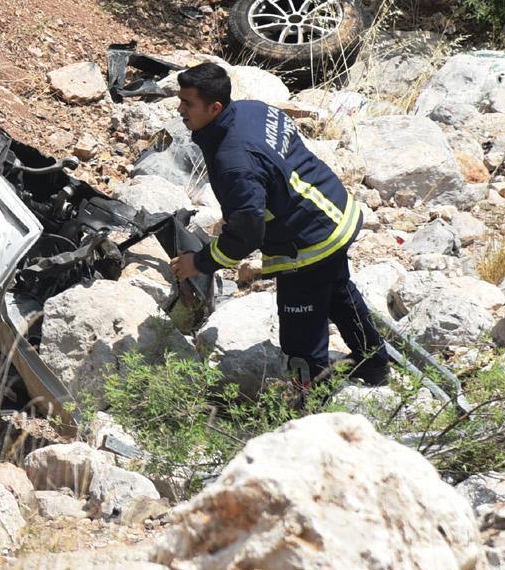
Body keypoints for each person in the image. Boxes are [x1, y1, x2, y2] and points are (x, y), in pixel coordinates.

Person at [167, 62, 390, 386]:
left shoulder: (234, 160)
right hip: (333, 209)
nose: (180, 108)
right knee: (340, 292)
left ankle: (309, 407)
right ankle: (374, 364)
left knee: (302, 335)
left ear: (214, 107)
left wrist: (200, 263)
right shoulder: (252, 110)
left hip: (308, 241)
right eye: (180, 100)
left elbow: (246, 235)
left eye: (188, 103)